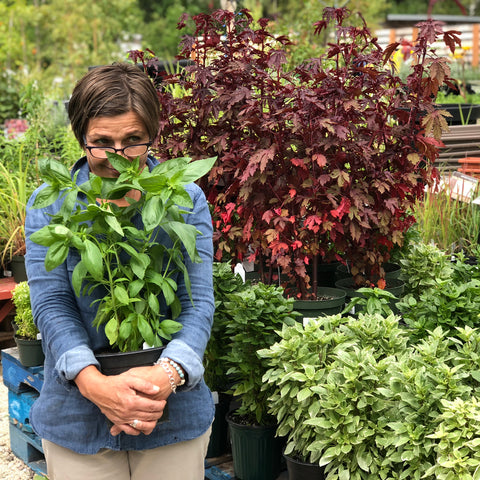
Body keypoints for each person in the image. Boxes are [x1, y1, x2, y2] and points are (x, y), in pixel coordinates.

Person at [25, 63, 215, 480]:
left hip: (171, 409)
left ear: (153, 134)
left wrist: (167, 375)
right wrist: (95, 385)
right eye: (102, 143)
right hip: (77, 415)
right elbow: (53, 304)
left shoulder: (184, 197)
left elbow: (197, 301)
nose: (119, 158)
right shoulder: (50, 203)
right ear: (81, 137)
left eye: (133, 141)